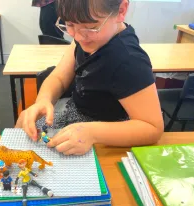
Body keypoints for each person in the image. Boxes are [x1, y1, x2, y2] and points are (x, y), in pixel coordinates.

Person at [16, 0, 164, 155]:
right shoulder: (85, 35)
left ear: (121, 10)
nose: (78, 37)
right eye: (70, 24)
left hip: (106, 132)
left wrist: (93, 133)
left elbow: (152, 128)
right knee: (24, 123)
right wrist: (43, 100)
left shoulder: (129, 61)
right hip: (77, 112)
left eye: (91, 28)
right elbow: (59, 77)